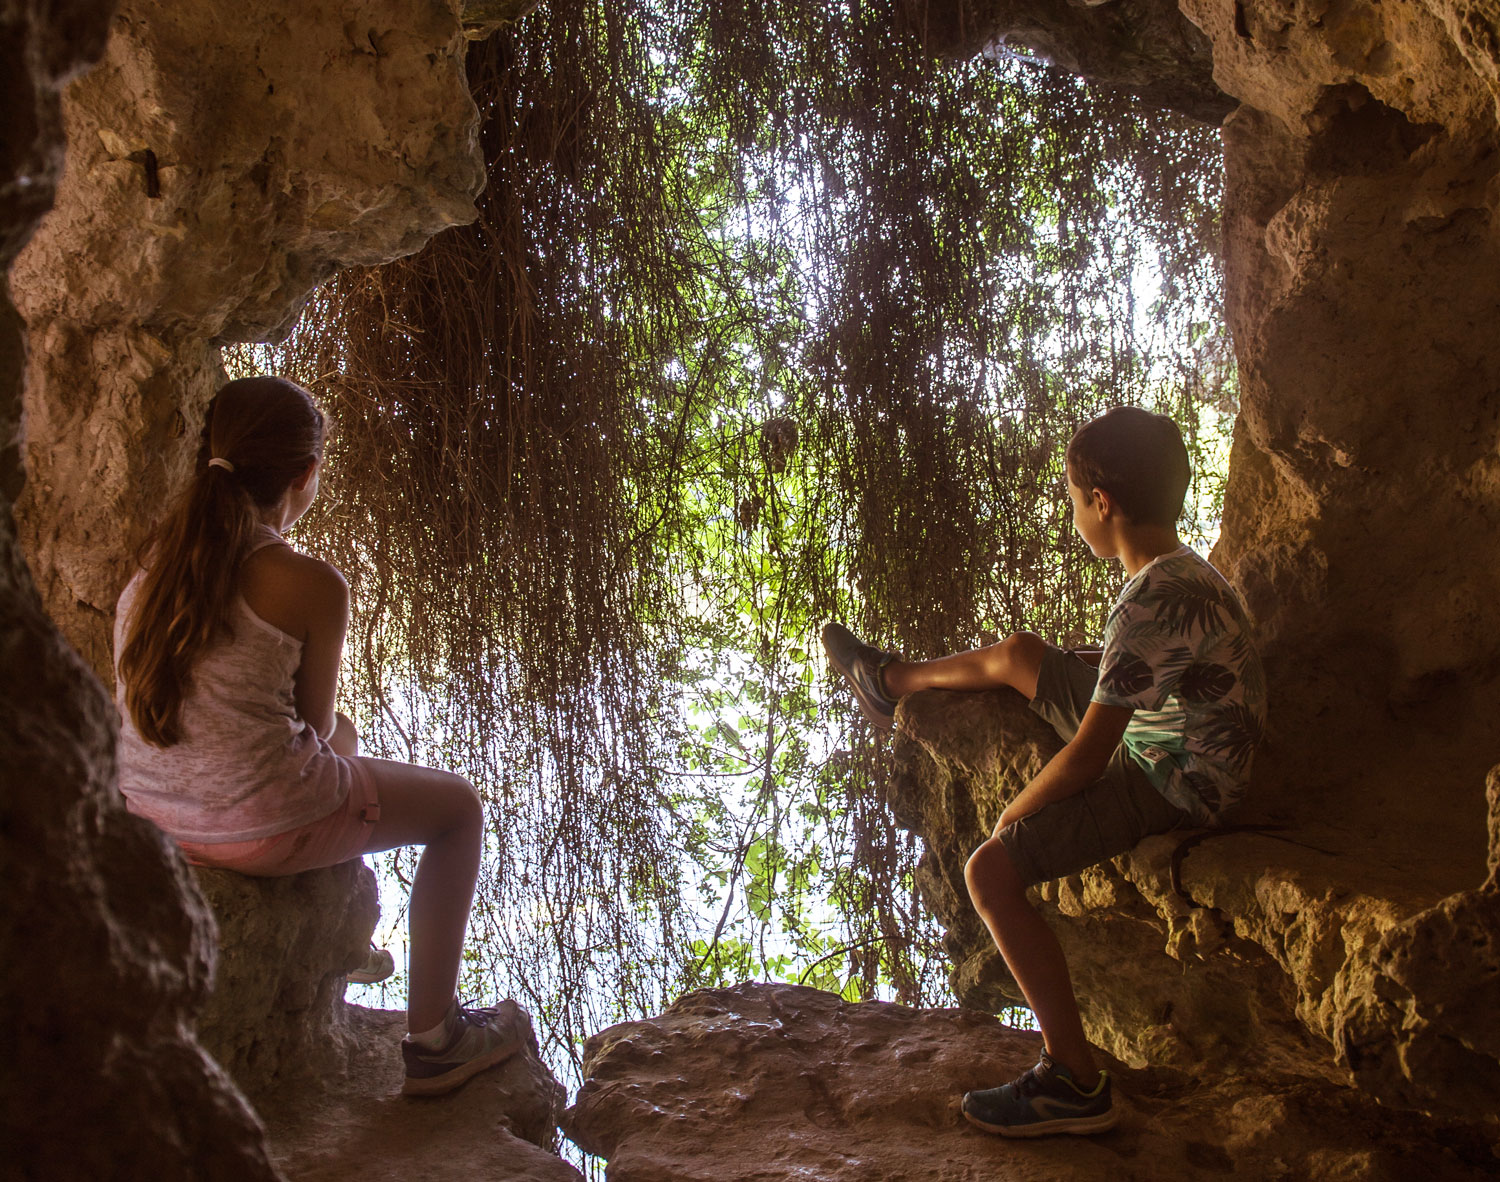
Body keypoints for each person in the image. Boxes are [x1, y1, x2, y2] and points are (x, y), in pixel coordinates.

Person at [822, 405, 1265, 1137]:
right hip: (1168, 732)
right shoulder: (1183, 572)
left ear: (1102, 504)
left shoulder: (1149, 599)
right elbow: (1146, 671)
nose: (1072, 514)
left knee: (989, 873)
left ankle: (1073, 1080)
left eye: (1071, 500)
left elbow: (1092, 756)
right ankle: (891, 680)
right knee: (1026, 654)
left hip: (1177, 776)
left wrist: (1014, 814)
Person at [114, 375, 520, 1097]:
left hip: (150, 816)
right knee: (458, 809)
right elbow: (319, 724)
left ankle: (341, 942)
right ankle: (434, 1042)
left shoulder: (156, 563)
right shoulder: (306, 582)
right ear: (305, 475)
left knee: (344, 753)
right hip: (256, 824)